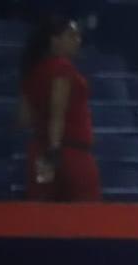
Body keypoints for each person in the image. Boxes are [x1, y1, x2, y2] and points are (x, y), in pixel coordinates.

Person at [19, 15, 99, 202]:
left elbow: (23, 119)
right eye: (71, 36)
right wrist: (55, 150)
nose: (77, 41)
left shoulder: (31, 71)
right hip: (69, 153)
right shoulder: (62, 68)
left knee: (44, 216)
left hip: (40, 152)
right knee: (86, 217)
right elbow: (58, 111)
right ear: (55, 40)